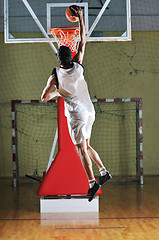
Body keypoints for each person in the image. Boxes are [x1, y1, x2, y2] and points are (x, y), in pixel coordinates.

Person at [41, 6, 111, 202]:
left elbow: (44, 98)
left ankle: (92, 182)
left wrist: (57, 92)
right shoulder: (79, 66)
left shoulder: (55, 75)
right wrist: (80, 17)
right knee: (87, 145)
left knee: (80, 150)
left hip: (77, 116)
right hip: (90, 112)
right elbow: (82, 40)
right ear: (71, 56)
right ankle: (103, 171)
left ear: (58, 59)